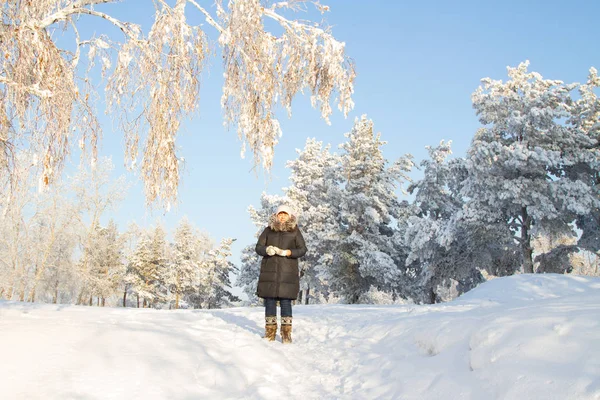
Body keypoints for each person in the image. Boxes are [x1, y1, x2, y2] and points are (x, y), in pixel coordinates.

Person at [255, 205, 307, 343]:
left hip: (287, 273)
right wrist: (267, 249)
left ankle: (286, 335)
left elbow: (302, 249)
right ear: (276, 216)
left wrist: (288, 252)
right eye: (280, 214)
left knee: (285, 302)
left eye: (285, 214)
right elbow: (258, 248)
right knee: (270, 302)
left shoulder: (294, 231)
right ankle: (270, 334)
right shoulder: (268, 230)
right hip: (270, 273)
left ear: (289, 216)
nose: (282, 216)